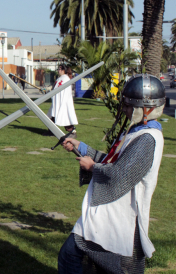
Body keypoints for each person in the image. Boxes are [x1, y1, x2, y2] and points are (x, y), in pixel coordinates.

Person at [58, 74, 165, 274]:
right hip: (110, 212)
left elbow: (120, 176)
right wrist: (82, 147)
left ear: (145, 109)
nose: (124, 110)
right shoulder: (138, 131)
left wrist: (91, 167)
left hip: (122, 217)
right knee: (78, 257)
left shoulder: (147, 138)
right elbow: (114, 161)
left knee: (77, 257)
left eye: (128, 106)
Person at [47, 64, 78, 137]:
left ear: (63, 70)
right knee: (52, 116)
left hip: (63, 101)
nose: (58, 70)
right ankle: (51, 131)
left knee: (65, 116)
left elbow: (63, 91)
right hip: (57, 101)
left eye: (60, 69)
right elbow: (56, 89)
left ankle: (72, 132)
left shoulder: (65, 78)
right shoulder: (60, 78)